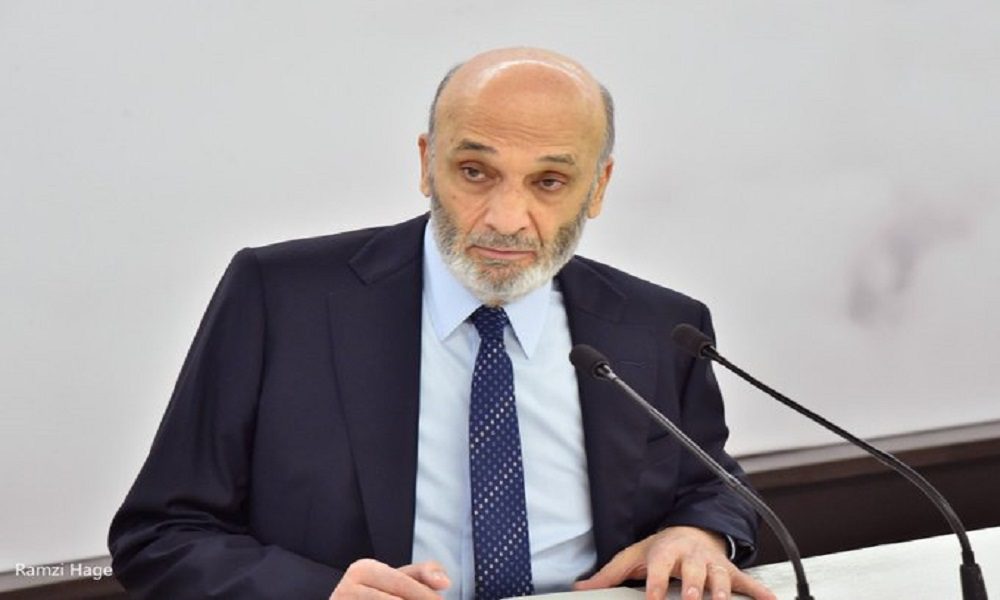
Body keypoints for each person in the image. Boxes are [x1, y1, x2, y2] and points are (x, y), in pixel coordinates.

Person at [108, 47, 775, 600]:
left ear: (597, 188)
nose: (506, 219)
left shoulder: (660, 326)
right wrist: (318, 593)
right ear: (427, 163)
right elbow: (160, 536)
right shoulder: (280, 297)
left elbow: (712, 485)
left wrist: (699, 533)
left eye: (548, 182)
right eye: (475, 171)